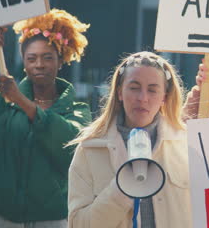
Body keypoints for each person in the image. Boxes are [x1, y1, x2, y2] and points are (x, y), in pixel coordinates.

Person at [0, 9, 92, 227]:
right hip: (1, 219)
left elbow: (68, 144)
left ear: (61, 61)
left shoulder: (78, 111)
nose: (39, 64)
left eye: (48, 57)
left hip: (52, 221)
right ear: (24, 62)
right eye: (31, 58)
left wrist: (22, 101)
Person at [67, 51, 192, 228]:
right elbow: (77, 224)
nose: (142, 98)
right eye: (134, 88)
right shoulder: (90, 149)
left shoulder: (186, 145)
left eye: (152, 90)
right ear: (119, 92)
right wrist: (121, 190)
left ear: (164, 97)